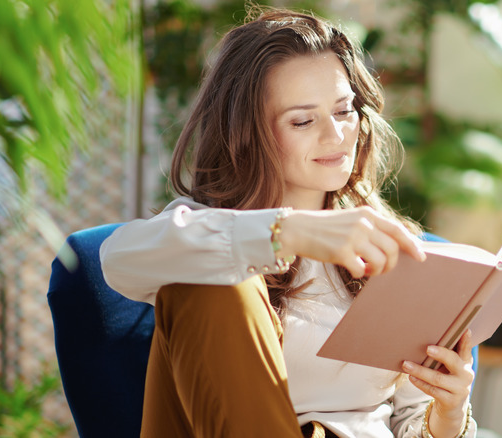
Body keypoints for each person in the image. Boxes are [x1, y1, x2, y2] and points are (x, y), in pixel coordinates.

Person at [99, 6, 477, 438]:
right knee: (213, 272)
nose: (335, 136)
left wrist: (449, 413)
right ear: (249, 132)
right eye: (302, 120)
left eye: (344, 110)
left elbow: (410, 425)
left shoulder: (391, 248)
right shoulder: (211, 231)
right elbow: (116, 258)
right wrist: (289, 232)